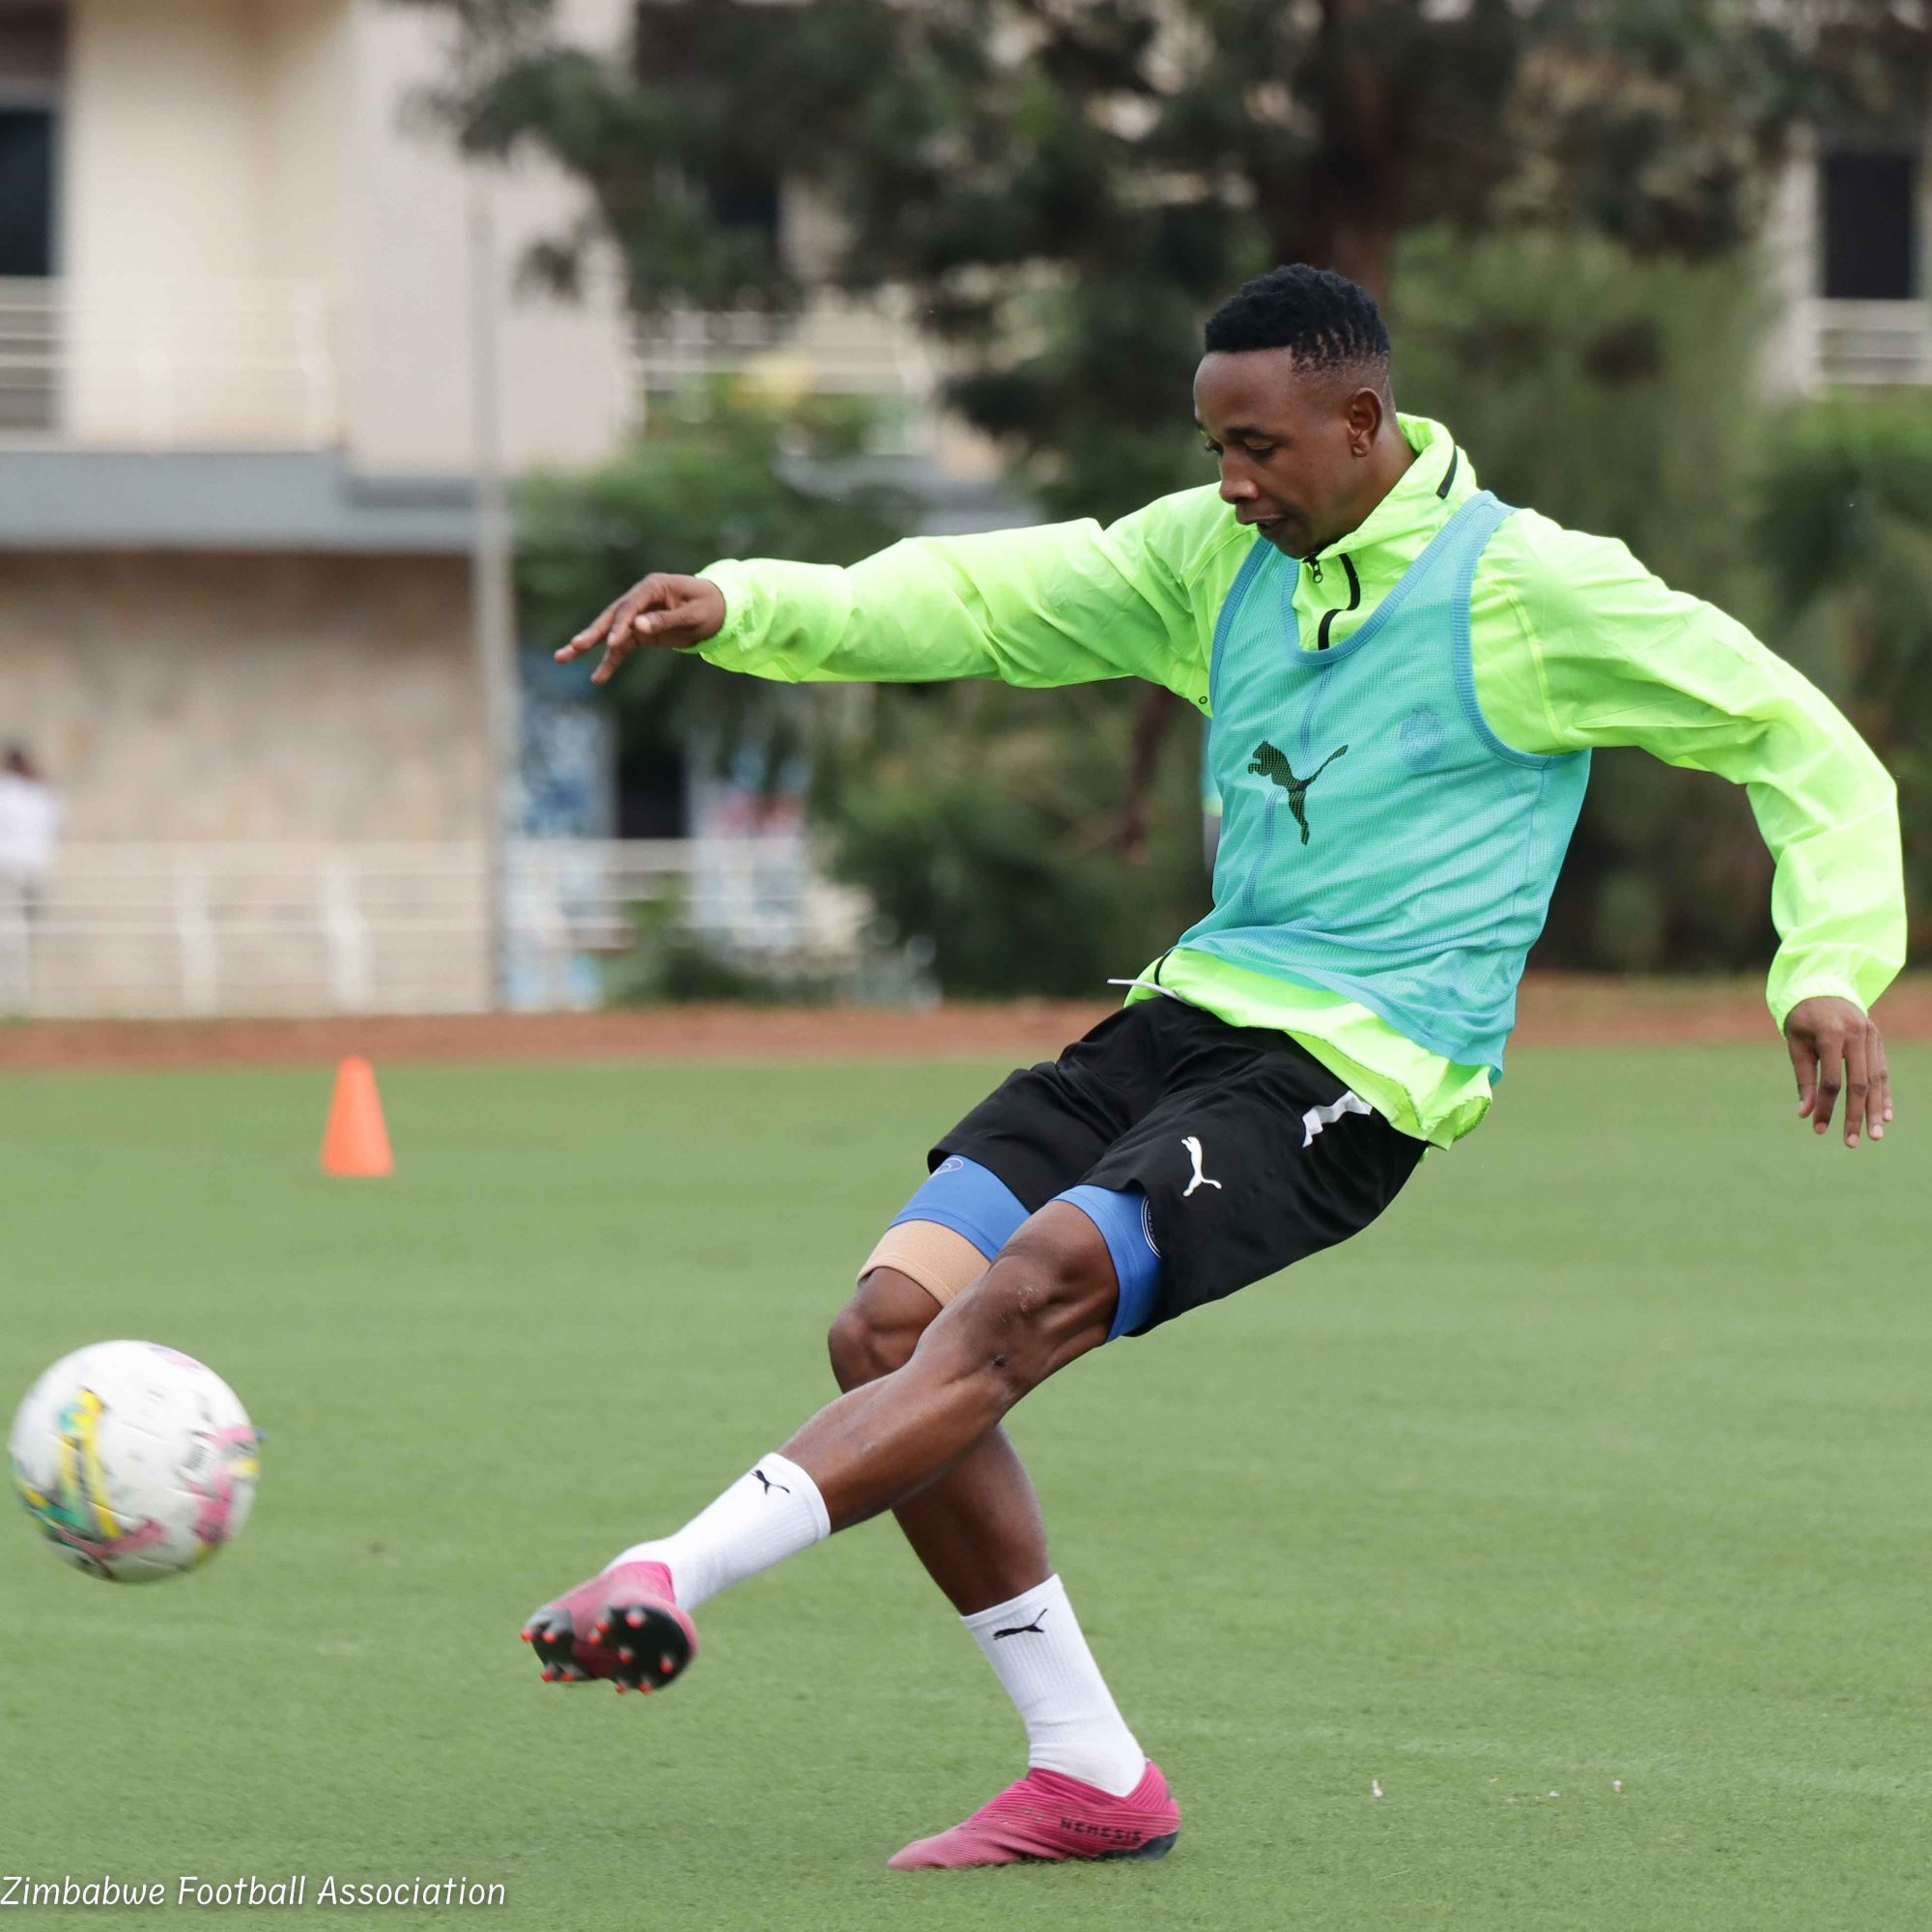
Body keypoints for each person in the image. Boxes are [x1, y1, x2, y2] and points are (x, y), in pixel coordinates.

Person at [526, 267, 1905, 1870]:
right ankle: (1088, 1769)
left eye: (1257, 447)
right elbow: (988, 600)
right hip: (1188, 1017)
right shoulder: (1217, 557)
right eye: (1213, 446)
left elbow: (1791, 737)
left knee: (1028, 1289)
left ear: (1362, 421)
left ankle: (664, 1575)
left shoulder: (1530, 588)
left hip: (1357, 1070)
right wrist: (750, 603)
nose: (1229, 480)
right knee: (887, 1325)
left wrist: (1823, 968)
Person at [0, 744, 61, 1009]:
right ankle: (22, 996)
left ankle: (15, 998)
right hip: (37, 866)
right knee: (27, 932)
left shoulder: (7, 791)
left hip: (9, 867)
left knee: (11, 933)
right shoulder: (43, 792)